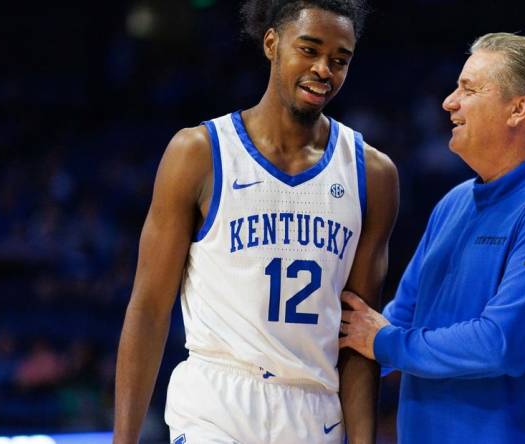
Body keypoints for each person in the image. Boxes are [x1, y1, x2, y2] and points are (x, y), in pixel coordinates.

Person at [113, 1, 399, 443]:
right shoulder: (199, 153)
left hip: (313, 409)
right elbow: (149, 309)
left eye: (340, 60)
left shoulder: (373, 175)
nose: (324, 69)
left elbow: (356, 336)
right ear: (272, 43)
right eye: (309, 50)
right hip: (217, 397)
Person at [340, 32, 525, 443]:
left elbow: (502, 342)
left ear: (519, 109)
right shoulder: (454, 203)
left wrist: (385, 342)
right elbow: (400, 317)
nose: (450, 102)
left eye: (469, 89)